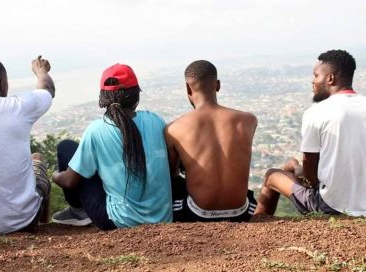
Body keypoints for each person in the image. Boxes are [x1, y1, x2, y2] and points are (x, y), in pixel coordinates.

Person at [52, 63, 172, 230]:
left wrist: (55, 176)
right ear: (137, 96)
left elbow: (70, 181)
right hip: (162, 217)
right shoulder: (155, 120)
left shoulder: (96, 130)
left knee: (66, 147)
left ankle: (78, 213)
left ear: (103, 98)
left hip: (117, 221)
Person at [255, 49, 366, 216]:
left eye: (315, 76)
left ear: (330, 78)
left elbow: (310, 178)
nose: (312, 82)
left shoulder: (316, 112)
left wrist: (302, 175)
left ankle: (257, 228)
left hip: (331, 206)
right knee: (292, 166)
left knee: (272, 175)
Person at [165, 60, 258, 223]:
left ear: (187, 88)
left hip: (196, 214)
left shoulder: (174, 129)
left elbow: (171, 175)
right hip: (241, 213)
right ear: (218, 85)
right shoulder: (248, 120)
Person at [0, 56, 55, 234]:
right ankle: (41, 225)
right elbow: (47, 89)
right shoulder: (17, 107)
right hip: (22, 221)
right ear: (3, 84)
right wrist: (41, 71)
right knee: (37, 159)